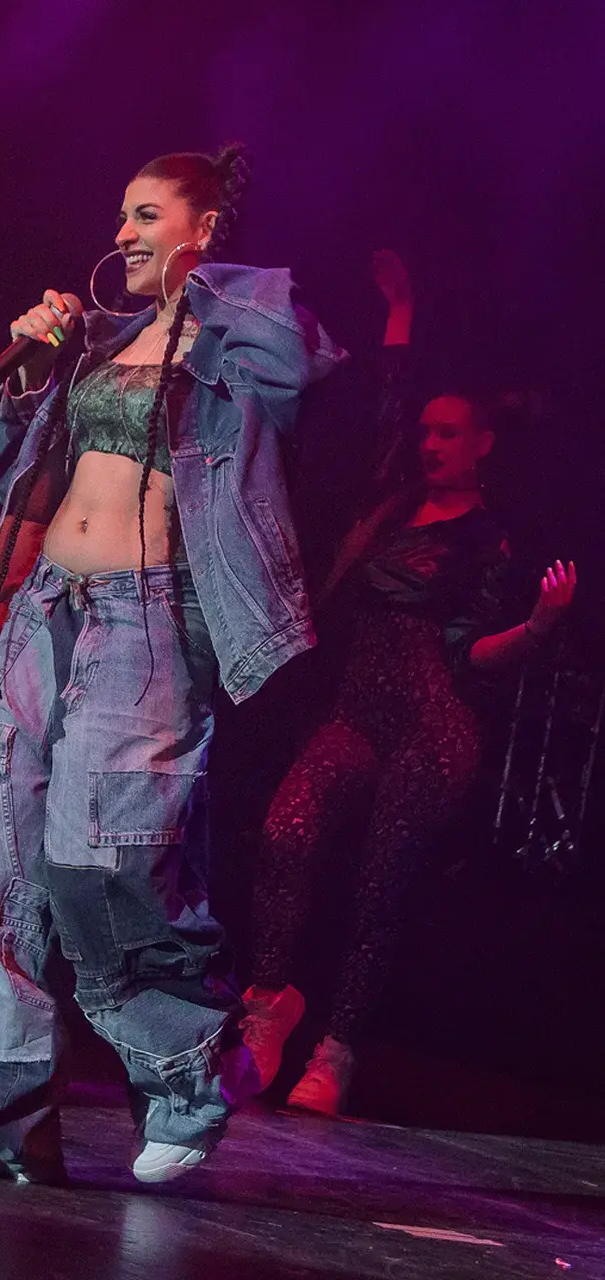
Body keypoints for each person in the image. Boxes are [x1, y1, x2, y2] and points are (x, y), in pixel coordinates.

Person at [0, 146, 345, 1184]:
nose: (123, 234)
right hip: (44, 609)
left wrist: (204, 286)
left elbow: (302, 362)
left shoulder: (239, 338)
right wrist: (34, 370)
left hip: (148, 622)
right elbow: (22, 484)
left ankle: (190, 1077)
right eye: (122, 215)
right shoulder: (105, 344)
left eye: (146, 216)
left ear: (202, 230)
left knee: (106, 857)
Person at [240, 250, 577, 1118]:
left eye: (449, 434)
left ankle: (338, 1050)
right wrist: (399, 308)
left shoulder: (486, 542)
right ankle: (268, 1003)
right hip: (359, 708)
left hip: (436, 721)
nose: (430, 444)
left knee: (381, 880)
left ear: (483, 445)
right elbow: (391, 401)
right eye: (428, 433)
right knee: (286, 830)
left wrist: (538, 628)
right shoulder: (391, 503)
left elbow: (475, 656)